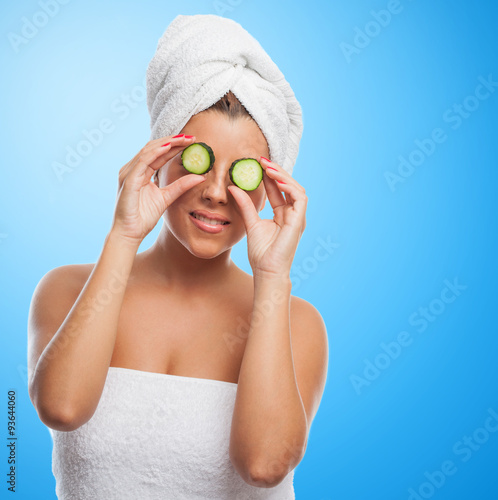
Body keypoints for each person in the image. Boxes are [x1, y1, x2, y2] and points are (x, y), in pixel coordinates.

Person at [27, 14, 328, 499]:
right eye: (200, 158)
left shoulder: (298, 322)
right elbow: (61, 408)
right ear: (161, 157)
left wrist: (271, 276)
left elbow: (264, 464)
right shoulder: (64, 290)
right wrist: (124, 235)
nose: (215, 192)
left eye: (242, 173)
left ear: (270, 184)